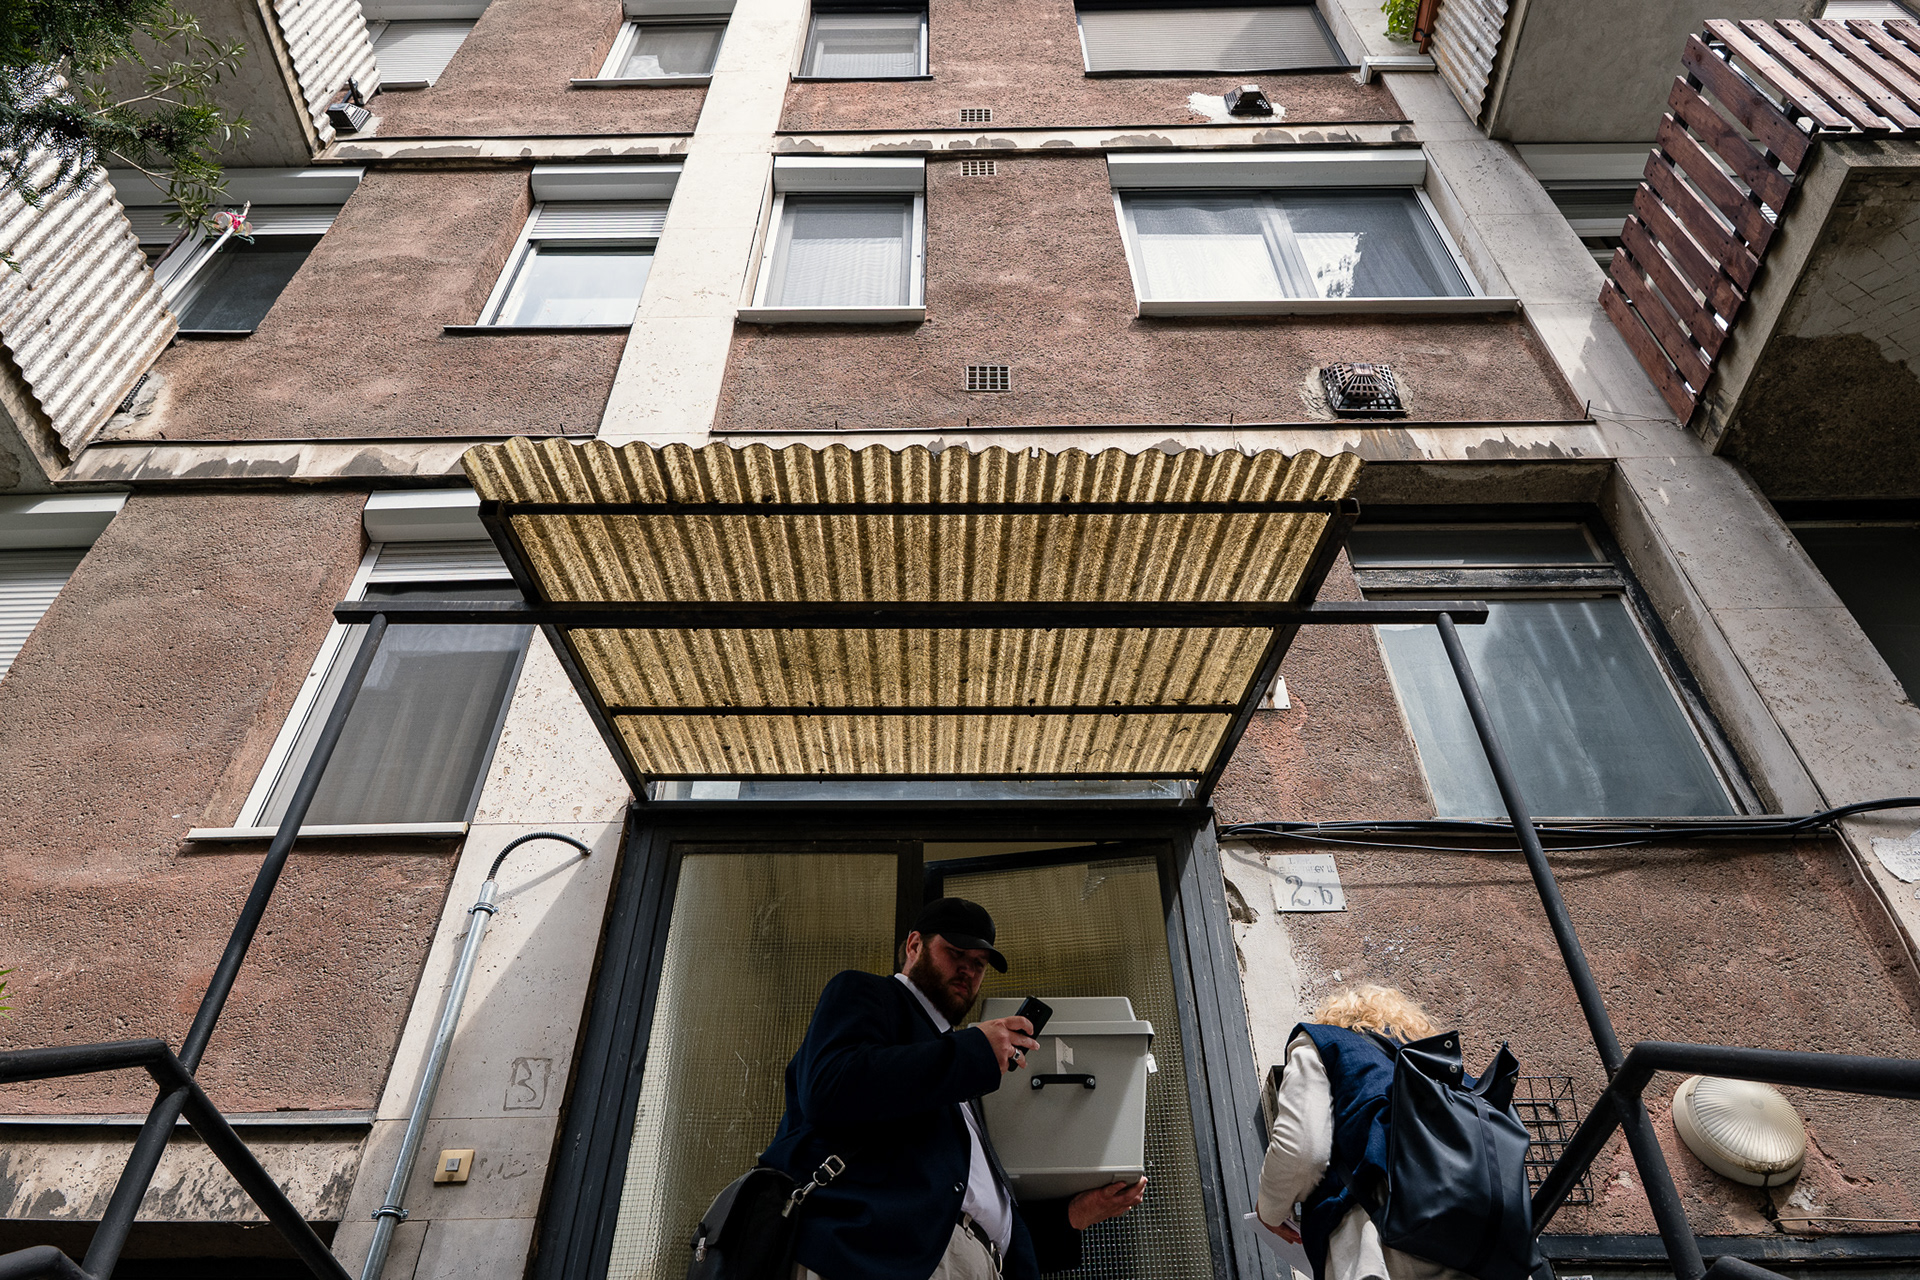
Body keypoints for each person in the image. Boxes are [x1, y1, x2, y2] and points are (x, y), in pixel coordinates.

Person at [761, 897, 1148, 1280]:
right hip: (872, 1255)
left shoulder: (957, 1074)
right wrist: (974, 1050)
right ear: (915, 945)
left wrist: (1076, 1214)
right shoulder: (869, 995)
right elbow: (829, 1087)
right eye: (955, 953)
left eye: (979, 964)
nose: (968, 969)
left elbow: (969, 1205)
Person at [1254, 984, 1476, 1280]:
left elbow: (1303, 1149)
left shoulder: (1328, 1042)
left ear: (1335, 1019)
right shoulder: (1448, 1079)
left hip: (1381, 1252)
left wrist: (1270, 1210)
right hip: (1477, 1249)